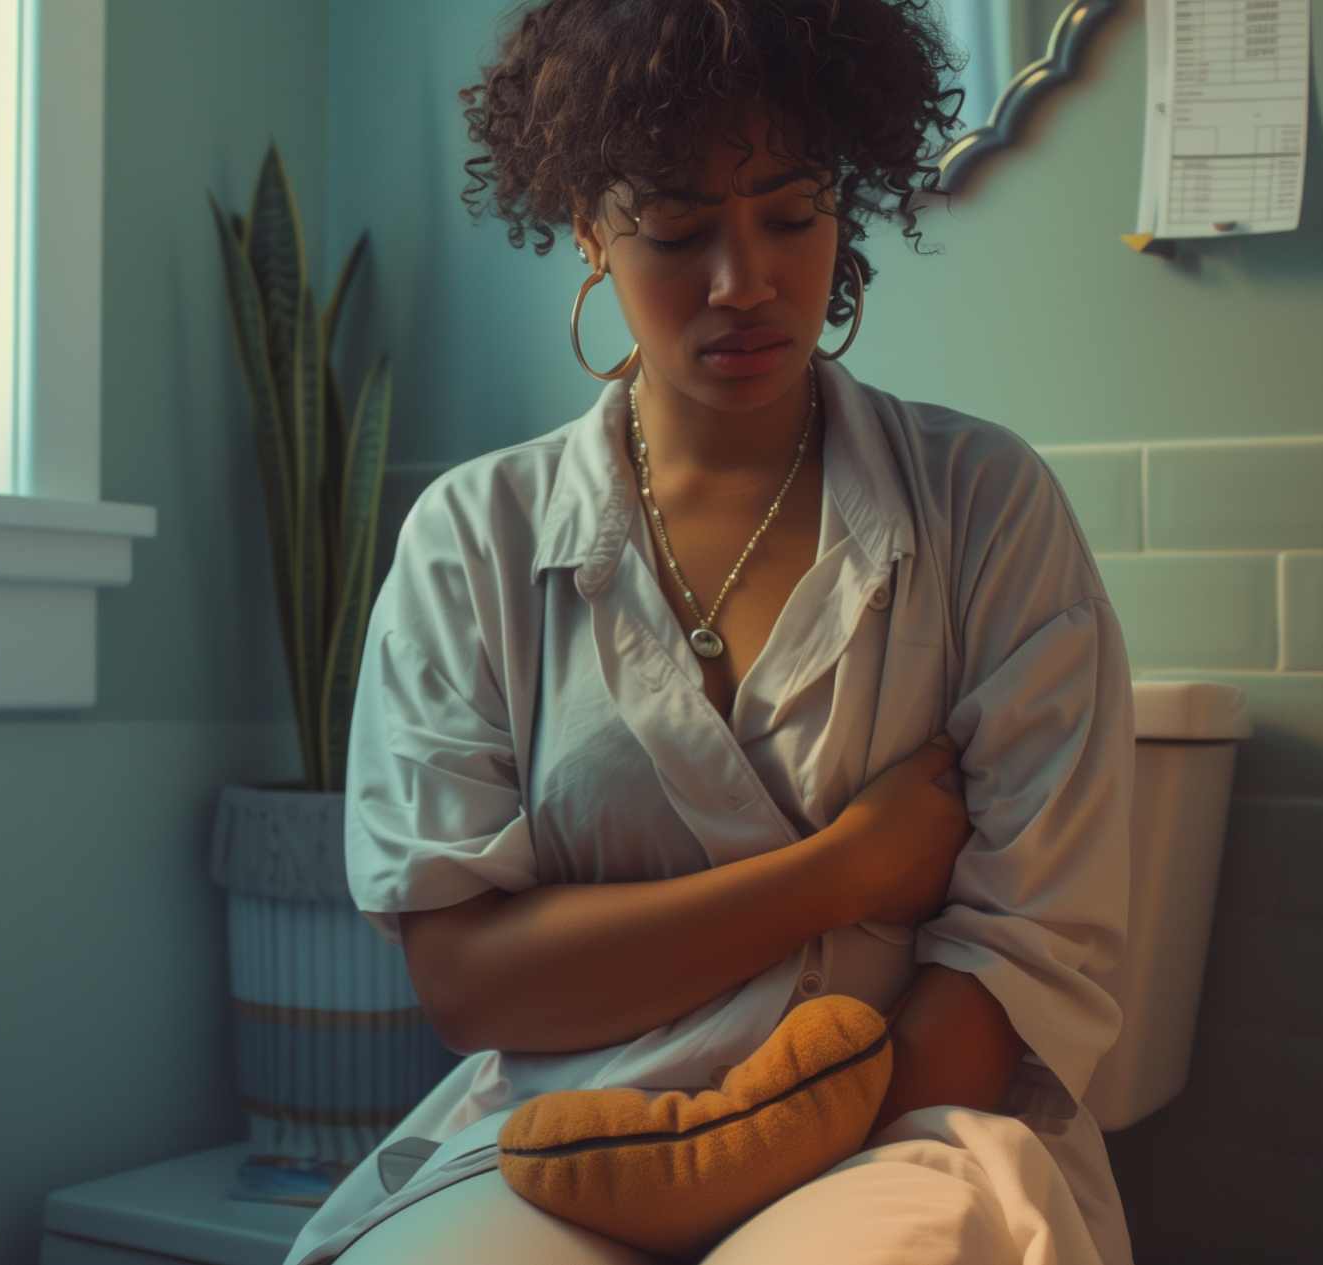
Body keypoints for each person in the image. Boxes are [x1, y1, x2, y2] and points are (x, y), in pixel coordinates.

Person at [281, 2, 1135, 1261]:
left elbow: (1023, 954)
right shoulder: (472, 537)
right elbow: (467, 976)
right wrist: (844, 871)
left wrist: (740, 1154)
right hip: (574, 1127)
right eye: (679, 230)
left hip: (905, 1123)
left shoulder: (985, 506)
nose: (745, 282)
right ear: (587, 225)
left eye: (792, 216)